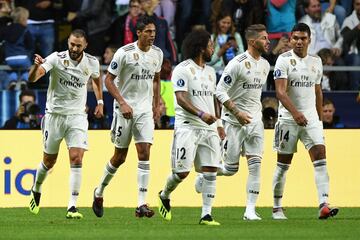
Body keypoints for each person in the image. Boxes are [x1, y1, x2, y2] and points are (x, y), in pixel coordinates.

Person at [28, 29, 104, 219]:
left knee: (77, 158)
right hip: (54, 116)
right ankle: (36, 188)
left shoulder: (92, 62)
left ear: (85, 45)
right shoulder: (56, 58)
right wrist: (34, 67)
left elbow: (96, 80)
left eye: (78, 45)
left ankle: (72, 206)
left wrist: (100, 102)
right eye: (71, 44)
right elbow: (33, 78)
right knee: (48, 161)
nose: (74, 48)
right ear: (68, 42)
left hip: (77, 116)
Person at [92, 15, 163, 218]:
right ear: (138, 33)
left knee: (144, 153)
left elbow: (156, 80)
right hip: (124, 110)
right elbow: (108, 81)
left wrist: (156, 104)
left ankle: (141, 204)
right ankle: (99, 191)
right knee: (119, 157)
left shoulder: (157, 54)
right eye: (148, 32)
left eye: (154, 32)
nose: (152, 35)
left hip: (144, 111)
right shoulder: (124, 53)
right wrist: (122, 102)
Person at [197, 24, 270, 221]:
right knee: (231, 169)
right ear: (252, 42)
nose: (268, 41)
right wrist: (237, 112)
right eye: (264, 38)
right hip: (233, 122)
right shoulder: (236, 64)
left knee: (256, 165)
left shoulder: (265, 65)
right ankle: (205, 174)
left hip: (255, 121)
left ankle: (250, 210)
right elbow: (219, 91)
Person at [271, 23, 338, 220]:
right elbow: (280, 93)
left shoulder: (316, 61)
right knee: (283, 165)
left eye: (303, 38)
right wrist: (296, 113)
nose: (299, 42)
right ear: (291, 39)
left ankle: (324, 204)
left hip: (311, 120)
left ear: (309, 40)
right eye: (296, 38)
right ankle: (276, 207)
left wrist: (318, 120)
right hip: (288, 120)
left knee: (321, 160)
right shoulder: (283, 61)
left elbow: (318, 91)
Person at [157, 29, 224, 226]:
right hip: (188, 127)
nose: (213, 49)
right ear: (201, 48)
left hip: (210, 128)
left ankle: (206, 214)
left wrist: (219, 123)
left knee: (211, 170)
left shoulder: (211, 72)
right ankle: (164, 194)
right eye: (211, 45)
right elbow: (180, 98)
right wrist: (201, 114)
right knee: (182, 173)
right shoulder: (182, 69)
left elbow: (214, 100)